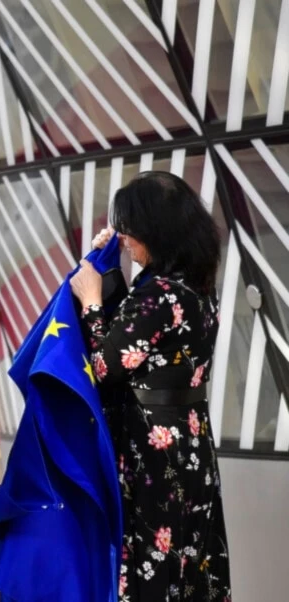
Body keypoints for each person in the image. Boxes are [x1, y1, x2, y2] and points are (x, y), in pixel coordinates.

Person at [71, 171, 232, 601]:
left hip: (154, 450)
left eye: (129, 230)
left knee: (153, 561)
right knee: (190, 556)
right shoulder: (195, 284)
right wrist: (109, 260)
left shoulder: (158, 293)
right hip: (190, 441)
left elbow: (107, 365)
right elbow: (141, 334)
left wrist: (90, 301)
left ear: (156, 230)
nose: (123, 238)